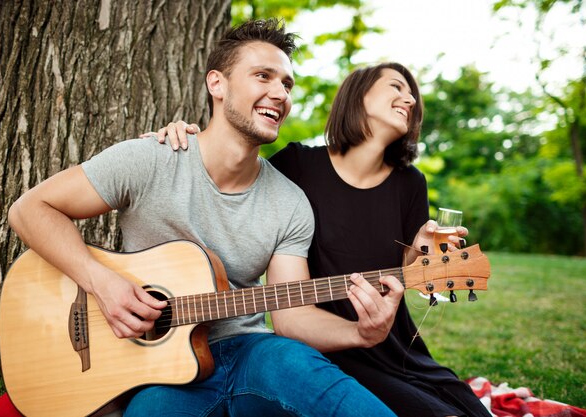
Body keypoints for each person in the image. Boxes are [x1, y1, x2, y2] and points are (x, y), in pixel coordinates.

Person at [8, 19, 401, 417]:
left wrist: (360, 333)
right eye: (263, 76)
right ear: (217, 84)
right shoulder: (149, 159)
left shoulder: (291, 203)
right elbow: (29, 210)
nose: (279, 93)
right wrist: (103, 283)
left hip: (254, 355)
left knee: (325, 390)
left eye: (287, 84)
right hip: (158, 371)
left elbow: (292, 315)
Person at [153, 62, 492, 417]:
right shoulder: (297, 165)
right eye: (396, 87)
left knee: (470, 410)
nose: (409, 99)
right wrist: (187, 141)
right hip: (322, 347)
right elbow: (232, 178)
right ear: (358, 96)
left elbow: (406, 274)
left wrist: (421, 253)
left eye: (412, 96)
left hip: (392, 344)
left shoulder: (411, 183)